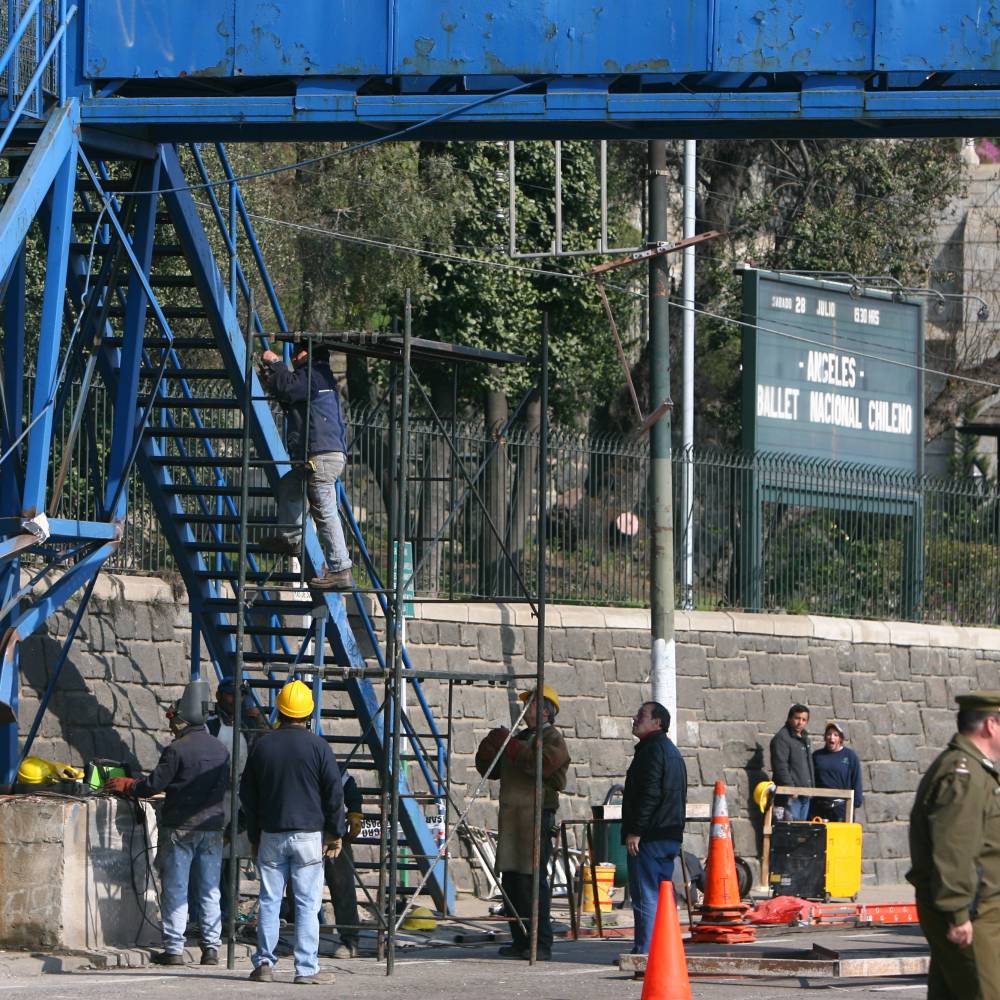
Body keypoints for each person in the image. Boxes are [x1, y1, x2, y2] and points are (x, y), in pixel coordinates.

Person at [105, 679, 229, 967]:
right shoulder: (220, 749)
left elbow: (151, 786)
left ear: (182, 717)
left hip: (179, 827)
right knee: (210, 888)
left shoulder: (177, 749)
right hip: (212, 827)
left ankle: (174, 948)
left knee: (176, 887)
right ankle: (211, 948)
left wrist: (128, 785)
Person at [240, 679, 345, 985]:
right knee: (307, 903)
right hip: (309, 836)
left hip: (271, 834)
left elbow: (248, 795)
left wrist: (255, 836)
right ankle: (306, 969)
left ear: (280, 711)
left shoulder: (262, 746)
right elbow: (334, 793)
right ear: (308, 712)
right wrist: (335, 832)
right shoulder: (318, 747)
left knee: (270, 900)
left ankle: (263, 964)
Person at [908, 690, 1000, 999]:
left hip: (971, 907)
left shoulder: (972, 769)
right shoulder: (965, 774)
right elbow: (954, 849)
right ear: (991, 725)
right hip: (972, 913)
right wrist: (958, 913)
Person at [475, 685, 570, 961]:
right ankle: (520, 940)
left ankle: (540, 943)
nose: (524, 710)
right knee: (513, 883)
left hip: (536, 819)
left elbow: (541, 765)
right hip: (514, 820)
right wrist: (490, 747)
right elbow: (489, 771)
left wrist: (511, 745)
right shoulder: (520, 738)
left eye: (530, 705)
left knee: (533, 882)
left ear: (544, 711)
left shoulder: (553, 739)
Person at [258, 341, 354, 592]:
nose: (293, 355)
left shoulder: (313, 374)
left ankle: (341, 569)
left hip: (320, 456)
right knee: (289, 485)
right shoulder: (318, 376)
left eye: (298, 351)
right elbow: (288, 394)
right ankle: (291, 540)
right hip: (319, 455)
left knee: (325, 511)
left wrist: (276, 363)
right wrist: (272, 377)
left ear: (307, 354)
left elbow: (289, 388)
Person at [621, 701, 687, 956]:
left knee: (646, 895)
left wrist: (636, 830)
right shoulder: (671, 751)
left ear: (657, 722)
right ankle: (665, 949)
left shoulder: (651, 751)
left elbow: (649, 794)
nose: (635, 719)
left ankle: (645, 952)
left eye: (642, 715)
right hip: (669, 834)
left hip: (650, 836)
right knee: (663, 894)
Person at [324, 769, 365, 958]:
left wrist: (355, 809)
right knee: (296, 888)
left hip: (332, 831)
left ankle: (349, 939)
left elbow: (347, 784)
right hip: (300, 828)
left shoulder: (321, 753)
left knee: (342, 885)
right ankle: (302, 939)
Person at [810, 722, 863, 821]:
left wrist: (855, 802)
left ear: (841, 738)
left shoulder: (850, 756)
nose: (831, 737)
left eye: (835, 735)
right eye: (829, 734)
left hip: (841, 808)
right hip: (820, 808)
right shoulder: (817, 756)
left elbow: (856, 780)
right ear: (825, 737)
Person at [770, 704, 814, 820]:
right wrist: (790, 788)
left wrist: (811, 788)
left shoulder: (805, 738)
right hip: (791, 796)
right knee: (790, 831)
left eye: (804, 719)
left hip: (806, 793)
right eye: (797, 718)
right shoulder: (782, 738)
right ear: (790, 718)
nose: (800, 722)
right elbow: (780, 766)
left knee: (801, 832)